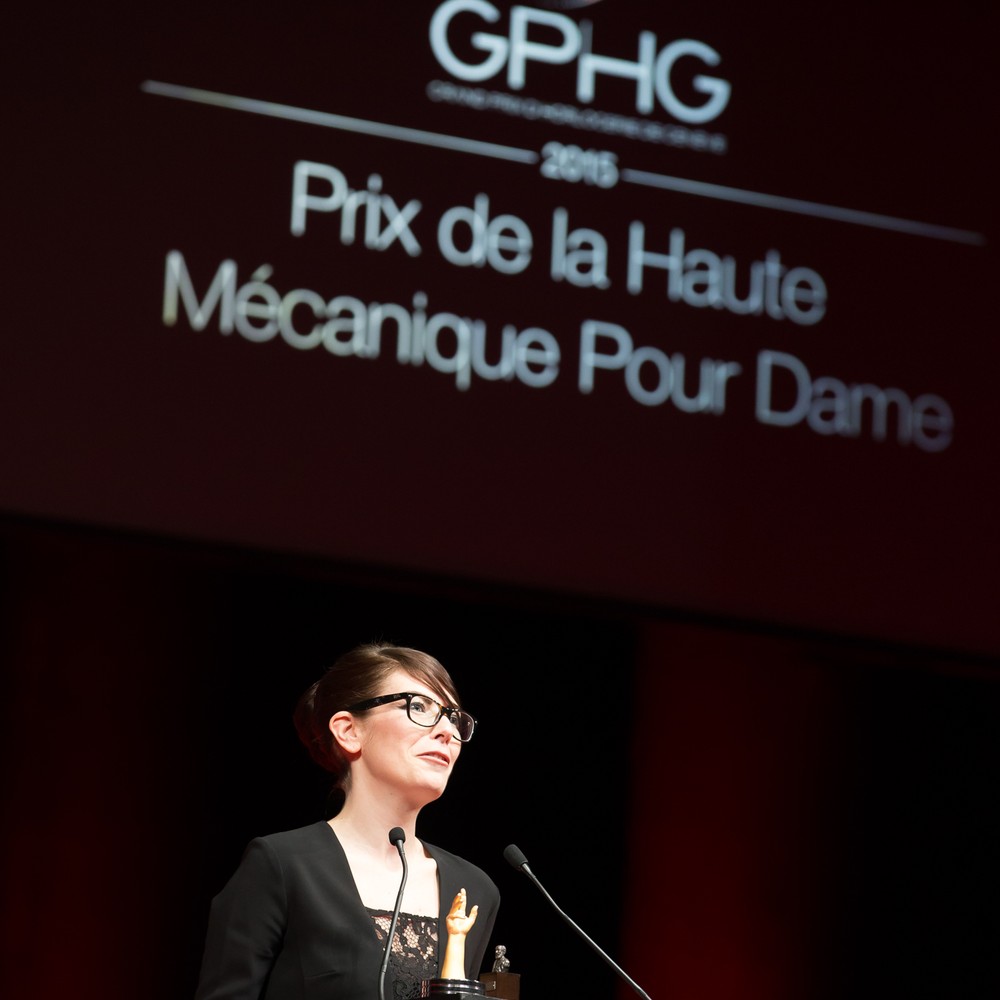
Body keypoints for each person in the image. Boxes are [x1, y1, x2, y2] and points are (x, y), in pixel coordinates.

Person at [195, 643, 500, 1000]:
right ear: (348, 731)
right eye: (418, 706)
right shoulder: (282, 865)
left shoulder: (474, 889)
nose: (446, 730)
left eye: (453, 717)